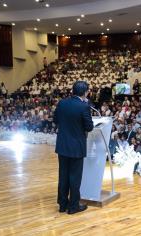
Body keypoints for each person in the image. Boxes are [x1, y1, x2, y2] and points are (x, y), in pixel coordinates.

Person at [54, 81, 94, 214]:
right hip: (76, 146)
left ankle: (62, 204)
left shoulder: (62, 103)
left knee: (63, 176)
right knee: (74, 177)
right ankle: (73, 206)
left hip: (63, 145)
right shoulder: (84, 106)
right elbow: (89, 127)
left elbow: (55, 120)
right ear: (84, 92)